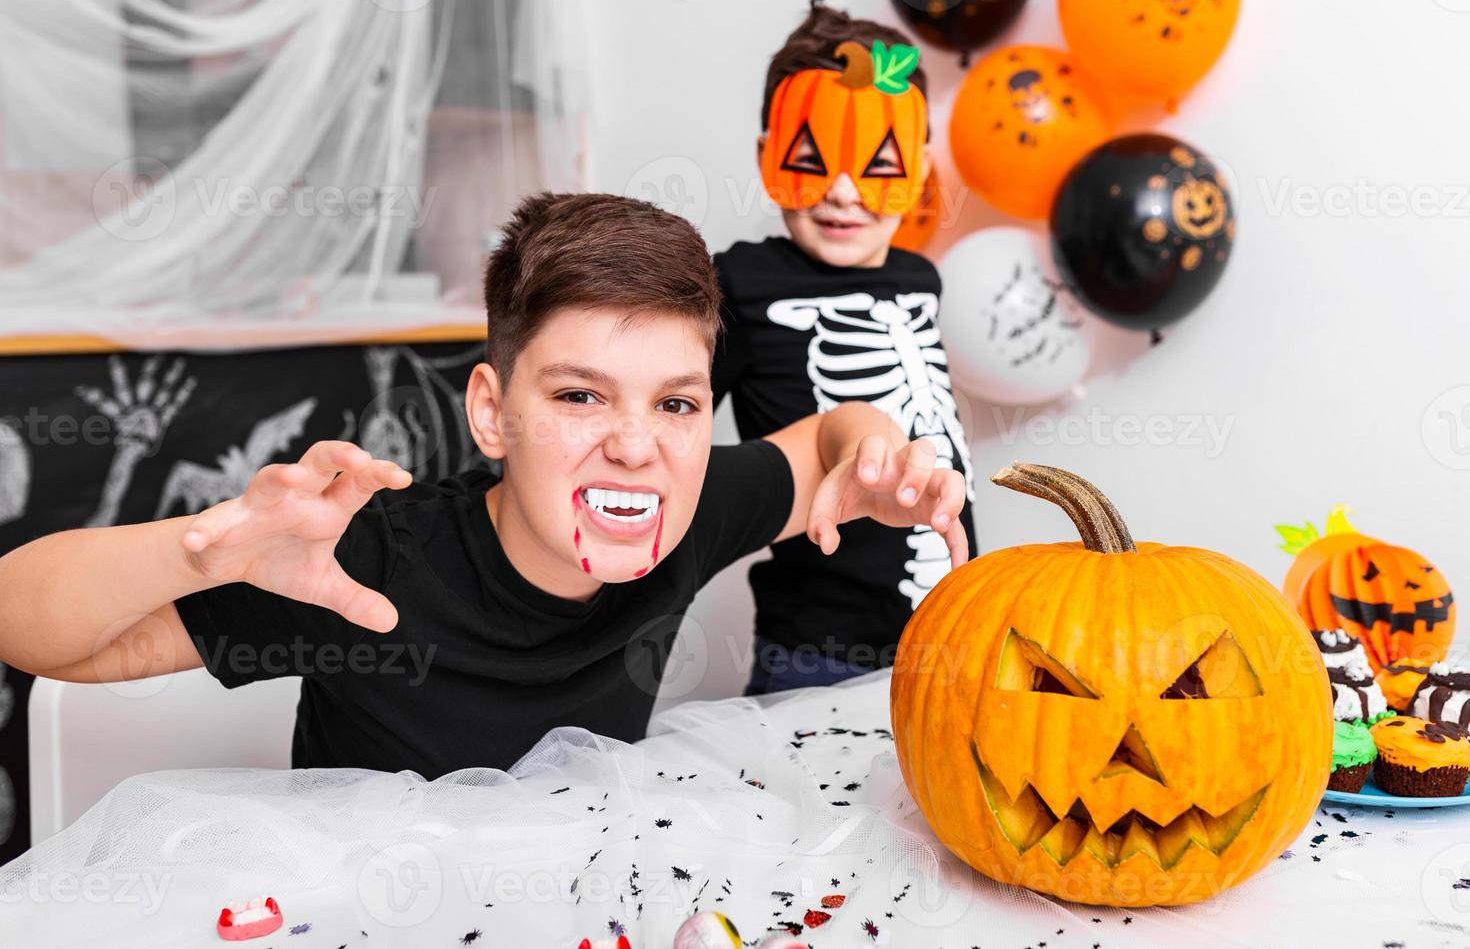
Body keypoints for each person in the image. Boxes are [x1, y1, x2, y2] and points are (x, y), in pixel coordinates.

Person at [0, 192, 967, 778]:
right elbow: (29, 627)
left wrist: (878, 446)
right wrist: (196, 543)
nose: (636, 448)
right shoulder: (367, 558)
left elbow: (826, 444)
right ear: (491, 412)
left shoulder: (691, 505)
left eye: (676, 404)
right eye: (582, 396)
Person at [713, 1, 977, 695]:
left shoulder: (920, 279)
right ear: (766, 154)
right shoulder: (739, 281)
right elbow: (666, 418)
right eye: (811, 155)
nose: (841, 190)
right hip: (815, 646)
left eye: (877, 163)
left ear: (917, 169)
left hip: (952, 632)